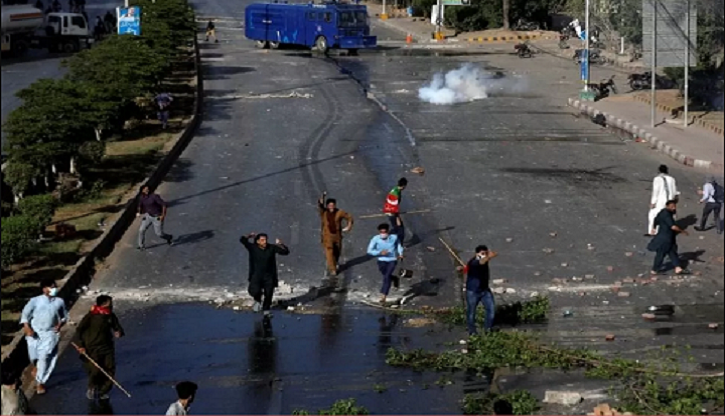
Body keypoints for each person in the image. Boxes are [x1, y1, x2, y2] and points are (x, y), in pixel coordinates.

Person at [19, 278, 68, 395]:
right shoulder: (35, 301)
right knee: (34, 356)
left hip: (50, 334)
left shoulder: (59, 302)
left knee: (45, 357)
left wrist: (60, 324)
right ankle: (36, 366)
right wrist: (27, 327)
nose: (53, 289)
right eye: (51, 287)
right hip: (35, 333)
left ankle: (40, 382)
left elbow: (64, 316)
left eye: (54, 286)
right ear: (44, 289)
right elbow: (25, 314)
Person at [73, 295, 125, 401]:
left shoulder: (110, 315)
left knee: (109, 368)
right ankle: (92, 387)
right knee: (95, 369)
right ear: (103, 304)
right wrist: (81, 345)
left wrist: (118, 332)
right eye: (109, 303)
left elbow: (117, 326)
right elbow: (79, 330)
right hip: (92, 347)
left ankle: (103, 391)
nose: (111, 306)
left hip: (107, 347)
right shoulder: (91, 316)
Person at [240, 233, 290, 315]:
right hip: (256, 274)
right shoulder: (253, 248)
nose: (265, 242)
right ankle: (258, 299)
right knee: (253, 290)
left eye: (265, 240)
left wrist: (281, 244)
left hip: (269, 275)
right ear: (258, 241)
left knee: (269, 293)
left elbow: (285, 252)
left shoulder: (271, 248)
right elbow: (242, 240)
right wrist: (249, 236)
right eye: (262, 240)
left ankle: (266, 309)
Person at [648, 200, 690, 275]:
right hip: (665, 238)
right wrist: (683, 231)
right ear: (667, 206)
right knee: (661, 254)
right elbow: (673, 227)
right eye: (672, 207)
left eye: (674, 206)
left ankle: (677, 267)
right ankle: (654, 269)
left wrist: (654, 228)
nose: (674, 208)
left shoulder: (662, 212)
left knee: (672, 252)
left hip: (669, 237)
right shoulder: (666, 215)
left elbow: (656, 219)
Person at [464, 245, 498, 336]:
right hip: (473, 291)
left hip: (484, 290)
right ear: (477, 254)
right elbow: (482, 262)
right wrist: (489, 256)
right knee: (471, 312)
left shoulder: (482, 260)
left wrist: (488, 256)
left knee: (491, 310)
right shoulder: (474, 262)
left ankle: (488, 330)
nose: (484, 255)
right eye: (482, 254)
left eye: (485, 253)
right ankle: (472, 332)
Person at [366, 223, 404, 305]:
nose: (383, 234)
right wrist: (379, 252)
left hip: (392, 260)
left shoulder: (394, 237)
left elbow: (399, 245)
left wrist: (400, 253)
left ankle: (383, 295)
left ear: (388, 231)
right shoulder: (375, 239)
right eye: (381, 232)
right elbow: (369, 251)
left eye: (385, 232)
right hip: (381, 260)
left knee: (386, 277)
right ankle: (394, 279)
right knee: (386, 274)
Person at [317, 192, 354, 276]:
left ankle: (335, 262)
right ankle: (332, 269)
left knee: (337, 252)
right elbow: (320, 204)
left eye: (333, 205)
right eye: (329, 205)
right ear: (327, 206)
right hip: (327, 236)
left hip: (337, 236)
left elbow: (349, 217)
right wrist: (323, 196)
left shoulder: (339, 212)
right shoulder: (324, 212)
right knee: (329, 251)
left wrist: (349, 226)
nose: (331, 207)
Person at [136, 184, 174, 250]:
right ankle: (141, 246)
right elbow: (140, 205)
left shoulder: (154, 197)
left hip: (157, 217)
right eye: (145, 189)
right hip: (148, 216)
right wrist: (139, 212)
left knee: (159, 234)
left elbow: (164, 205)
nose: (147, 190)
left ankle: (169, 237)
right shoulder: (142, 197)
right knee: (141, 230)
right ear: (142, 190)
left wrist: (163, 215)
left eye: (147, 189)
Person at [648, 165, 678, 236]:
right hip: (669, 201)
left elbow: (656, 191)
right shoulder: (672, 179)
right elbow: (674, 191)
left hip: (660, 201)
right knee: (667, 216)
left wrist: (653, 202)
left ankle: (653, 231)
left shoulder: (657, 179)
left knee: (654, 215)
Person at [383, 178, 408, 244]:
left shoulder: (395, 189)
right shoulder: (396, 194)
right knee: (400, 229)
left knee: (396, 227)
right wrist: (397, 217)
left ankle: (387, 237)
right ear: (403, 186)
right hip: (392, 213)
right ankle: (400, 244)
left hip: (389, 211)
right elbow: (394, 206)